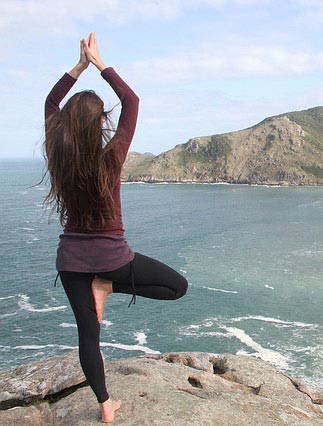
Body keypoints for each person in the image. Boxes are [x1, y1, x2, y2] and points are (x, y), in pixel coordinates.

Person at [43, 33, 188, 423]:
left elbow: (51, 104)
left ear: (67, 124)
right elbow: (132, 101)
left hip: (70, 262)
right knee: (178, 287)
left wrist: (78, 67)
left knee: (88, 336)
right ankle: (108, 285)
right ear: (100, 123)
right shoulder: (111, 159)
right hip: (112, 260)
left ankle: (105, 406)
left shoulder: (59, 157)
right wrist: (99, 63)